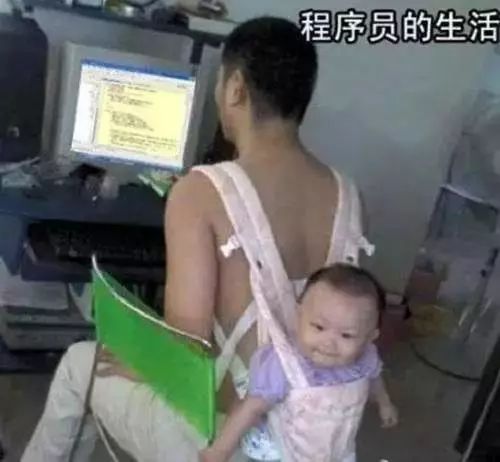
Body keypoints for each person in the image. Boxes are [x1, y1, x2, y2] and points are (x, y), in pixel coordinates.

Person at [22, 16, 374, 462]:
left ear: (236, 88)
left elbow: (185, 348)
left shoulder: (202, 191)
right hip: (307, 444)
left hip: (225, 439)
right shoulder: (349, 195)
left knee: (80, 364)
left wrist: (141, 361)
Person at [200, 263, 398, 462]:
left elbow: (374, 378)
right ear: (299, 314)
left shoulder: (365, 359)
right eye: (319, 327)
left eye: (346, 335)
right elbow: (252, 408)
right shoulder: (285, 365)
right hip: (281, 448)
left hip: (336, 445)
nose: (328, 343)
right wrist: (220, 451)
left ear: (370, 337)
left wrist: (384, 403)